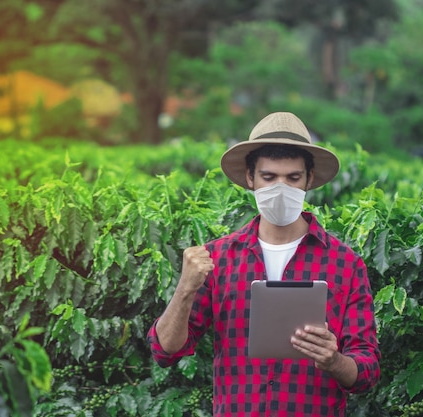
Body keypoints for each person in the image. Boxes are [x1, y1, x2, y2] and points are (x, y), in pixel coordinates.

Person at [147, 112, 380, 417]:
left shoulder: (345, 264)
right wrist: (185, 288)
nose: (280, 187)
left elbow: (368, 371)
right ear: (250, 178)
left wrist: (333, 360)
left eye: (292, 178)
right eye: (269, 177)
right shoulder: (218, 259)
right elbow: (165, 351)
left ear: (309, 179)